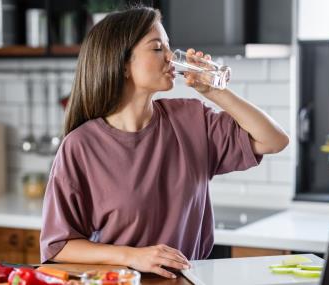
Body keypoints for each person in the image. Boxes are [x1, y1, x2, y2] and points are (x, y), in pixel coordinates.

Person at [40, 6, 289, 279]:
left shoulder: (191, 119)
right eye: (158, 48)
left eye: (169, 47)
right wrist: (133, 256)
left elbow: (274, 140)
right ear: (123, 64)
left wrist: (214, 91)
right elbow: (58, 246)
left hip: (189, 280)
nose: (171, 58)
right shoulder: (81, 146)